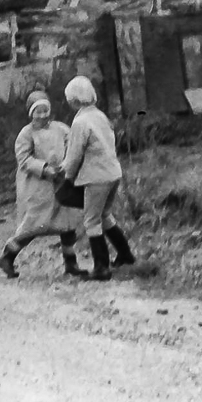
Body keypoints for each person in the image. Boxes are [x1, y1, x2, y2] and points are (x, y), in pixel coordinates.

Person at [0, 90, 86, 279]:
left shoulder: (61, 129)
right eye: (38, 111)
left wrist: (67, 164)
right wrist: (43, 169)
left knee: (67, 224)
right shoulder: (26, 134)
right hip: (38, 188)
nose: (43, 115)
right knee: (34, 225)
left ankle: (71, 263)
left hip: (61, 184)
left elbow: (72, 145)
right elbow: (23, 158)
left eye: (45, 111)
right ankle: (8, 255)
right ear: (31, 113)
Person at [60, 76, 136, 281]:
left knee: (91, 220)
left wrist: (67, 177)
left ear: (73, 99)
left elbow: (74, 155)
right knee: (104, 215)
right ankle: (125, 254)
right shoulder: (100, 116)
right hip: (113, 172)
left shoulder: (80, 122)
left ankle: (101, 267)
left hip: (96, 177)